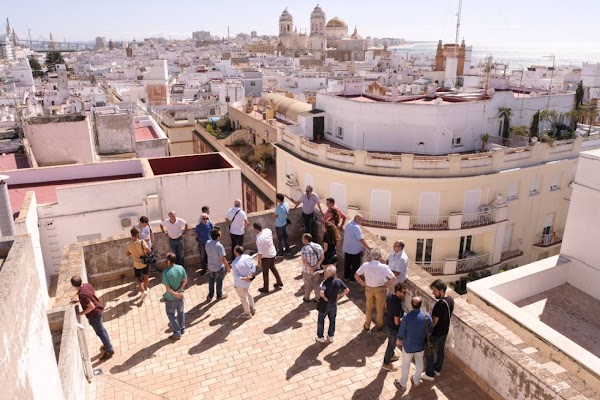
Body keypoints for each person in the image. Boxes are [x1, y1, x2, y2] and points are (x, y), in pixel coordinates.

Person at [71, 276, 114, 360]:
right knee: (102, 330)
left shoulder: (81, 295)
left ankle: (109, 350)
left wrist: (80, 313)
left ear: (73, 285)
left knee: (100, 333)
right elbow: (90, 295)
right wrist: (80, 300)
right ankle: (107, 345)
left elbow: (91, 306)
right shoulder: (86, 285)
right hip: (99, 310)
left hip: (94, 315)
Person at [394, 296, 433, 390]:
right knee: (419, 363)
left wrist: (399, 339)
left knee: (406, 365)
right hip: (420, 345)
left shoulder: (406, 317)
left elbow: (402, 331)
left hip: (408, 346)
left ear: (411, 304)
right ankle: (416, 381)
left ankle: (403, 384)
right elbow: (431, 330)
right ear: (421, 305)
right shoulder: (426, 316)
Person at [354, 248, 395, 331]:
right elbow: (393, 278)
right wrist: (386, 285)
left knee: (369, 307)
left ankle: (367, 324)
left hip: (369, 288)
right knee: (380, 308)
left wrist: (362, 283)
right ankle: (379, 324)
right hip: (380, 289)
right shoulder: (384, 267)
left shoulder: (365, 265)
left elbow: (356, 275)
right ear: (379, 257)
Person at [422, 279, 455, 382]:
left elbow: (434, 322)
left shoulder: (439, 305)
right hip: (445, 332)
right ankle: (437, 370)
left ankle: (429, 373)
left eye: (435, 291)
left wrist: (427, 332)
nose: (433, 293)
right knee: (440, 351)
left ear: (441, 290)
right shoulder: (450, 300)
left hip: (436, 334)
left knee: (429, 351)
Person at [315, 266, 349, 343]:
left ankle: (320, 337)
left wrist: (325, 298)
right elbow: (347, 290)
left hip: (325, 305)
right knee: (332, 320)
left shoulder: (325, 282)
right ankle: (331, 336)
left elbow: (321, 293)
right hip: (333, 303)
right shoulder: (338, 281)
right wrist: (339, 296)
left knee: (321, 320)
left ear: (329, 273)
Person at [162, 253, 187, 341]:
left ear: (168, 261)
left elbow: (168, 288)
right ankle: (182, 328)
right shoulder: (181, 268)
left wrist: (175, 294)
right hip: (180, 296)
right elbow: (184, 281)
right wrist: (179, 291)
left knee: (170, 315)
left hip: (171, 298)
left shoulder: (166, 272)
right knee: (181, 312)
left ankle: (177, 333)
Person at [382, 283, 407, 372]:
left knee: (390, 342)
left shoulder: (389, 296)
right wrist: (403, 320)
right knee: (391, 345)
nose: (404, 295)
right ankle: (386, 363)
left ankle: (391, 355)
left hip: (388, 323)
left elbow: (385, 306)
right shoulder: (397, 304)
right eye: (403, 292)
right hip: (393, 327)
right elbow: (397, 322)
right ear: (398, 292)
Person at [125, 227, 152, 302]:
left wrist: (132, 252)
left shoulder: (128, 244)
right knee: (145, 276)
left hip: (136, 264)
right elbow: (149, 250)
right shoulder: (142, 242)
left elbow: (126, 254)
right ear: (137, 234)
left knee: (138, 278)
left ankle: (143, 291)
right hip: (144, 263)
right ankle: (145, 289)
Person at [255, 222, 283, 293]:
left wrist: (259, 262)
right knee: (273, 267)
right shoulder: (268, 231)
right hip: (272, 253)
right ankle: (279, 281)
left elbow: (260, 252)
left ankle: (266, 287)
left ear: (255, 229)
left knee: (265, 272)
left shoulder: (259, 238)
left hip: (266, 257)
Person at [342, 214, 371, 281]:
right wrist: (369, 248)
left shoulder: (349, 223)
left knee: (347, 264)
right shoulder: (356, 227)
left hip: (347, 248)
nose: (361, 221)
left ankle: (346, 277)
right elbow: (361, 239)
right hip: (354, 250)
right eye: (361, 220)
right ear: (357, 219)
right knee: (355, 266)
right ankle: (352, 279)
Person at [205, 228, 231, 301]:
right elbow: (223, 259)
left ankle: (210, 295)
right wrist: (228, 267)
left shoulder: (207, 242)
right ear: (218, 236)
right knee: (219, 281)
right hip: (218, 267)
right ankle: (219, 295)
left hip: (210, 266)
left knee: (211, 280)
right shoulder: (219, 246)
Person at [231, 245, 256, 318]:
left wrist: (244, 278)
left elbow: (236, 276)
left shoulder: (235, 263)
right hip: (248, 281)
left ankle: (247, 314)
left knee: (243, 298)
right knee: (248, 292)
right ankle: (253, 307)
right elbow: (253, 266)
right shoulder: (248, 257)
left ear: (236, 252)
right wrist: (250, 275)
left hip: (240, 284)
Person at [300, 233, 324, 302]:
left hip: (307, 271)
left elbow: (305, 262)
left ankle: (306, 298)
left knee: (307, 285)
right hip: (317, 270)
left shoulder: (304, 249)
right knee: (316, 283)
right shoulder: (318, 246)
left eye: (302, 238)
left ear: (305, 240)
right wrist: (316, 266)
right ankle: (318, 298)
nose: (302, 239)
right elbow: (322, 258)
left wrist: (311, 268)